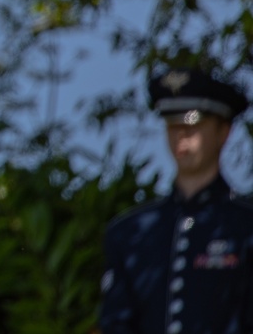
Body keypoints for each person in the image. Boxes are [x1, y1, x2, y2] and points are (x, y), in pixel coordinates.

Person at [99, 67, 253, 334]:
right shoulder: (129, 233)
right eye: (172, 123)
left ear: (223, 131)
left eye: (193, 123)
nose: (181, 134)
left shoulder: (245, 225)